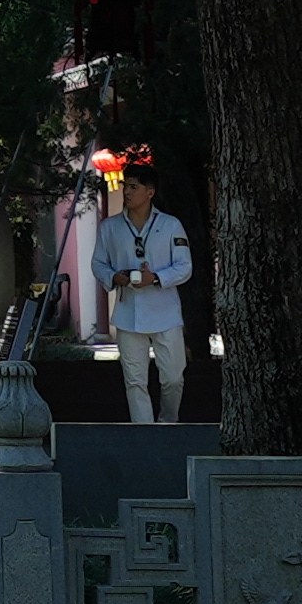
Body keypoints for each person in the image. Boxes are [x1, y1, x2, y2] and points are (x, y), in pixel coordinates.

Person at [93, 159, 196, 427]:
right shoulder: (110, 227)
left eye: (134, 187)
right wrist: (113, 277)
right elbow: (98, 263)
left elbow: (185, 267)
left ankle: (168, 423)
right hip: (129, 313)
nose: (127, 192)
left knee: (173, 377)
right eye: (125, 186)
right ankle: (144, 433)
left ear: (150, 192)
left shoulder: (171, 225)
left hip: (165, 312)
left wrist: (157, 278)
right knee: (135, 380)